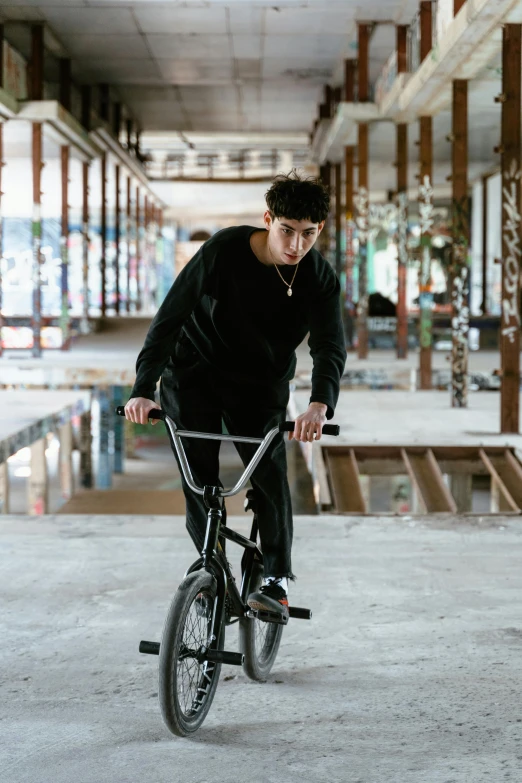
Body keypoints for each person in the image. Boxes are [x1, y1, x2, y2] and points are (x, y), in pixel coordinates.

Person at [124, 170, 346, 618]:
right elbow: (169, 318)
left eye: (307, 234)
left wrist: (319, 404)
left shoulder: (319, 277)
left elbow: (329, 346)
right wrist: (143, 390)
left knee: (269, 478)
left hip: (260, 385)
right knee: (198, 482)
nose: (295, 245)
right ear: (268, 220)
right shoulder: (223, 251)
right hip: (194, 373)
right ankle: (213, 574)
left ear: (318, 230)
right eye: (286, 230)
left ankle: (275, 578)